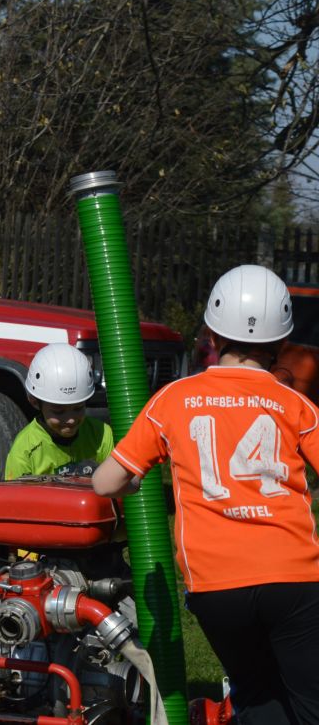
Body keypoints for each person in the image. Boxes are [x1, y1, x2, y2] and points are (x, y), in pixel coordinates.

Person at [93, 264, 319, 724]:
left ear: (212, 336)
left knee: (257, 695)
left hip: (216, 584)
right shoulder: (295, 404)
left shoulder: (174, 398)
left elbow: (105, 483)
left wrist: (135, 482)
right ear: (281, 342)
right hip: (294, 576)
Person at [5, 343, 114, 479]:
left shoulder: (102, 436)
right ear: (35, 402)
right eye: (58, 411)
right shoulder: (24, 450)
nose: (71, 419)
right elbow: (14, 492)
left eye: (78, 408)